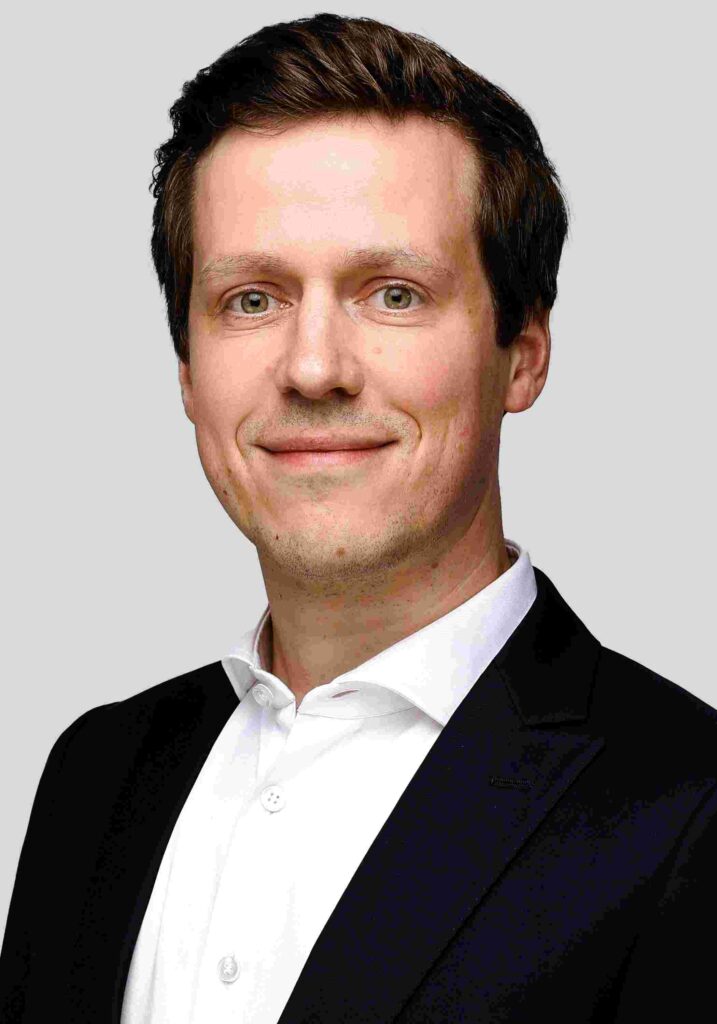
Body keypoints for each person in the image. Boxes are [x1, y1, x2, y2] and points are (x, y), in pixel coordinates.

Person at [1, 11, 715, 1023]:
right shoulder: (94, 776)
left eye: (393, 294)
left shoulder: (686, 806)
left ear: (523, 353)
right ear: (187, 371)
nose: (313, 368)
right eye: (252, 300)